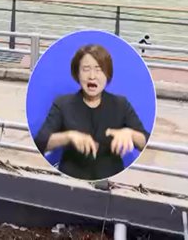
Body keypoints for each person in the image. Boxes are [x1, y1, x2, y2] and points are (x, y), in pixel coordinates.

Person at [33, 44, 149, 181]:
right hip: (71, 181)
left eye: (99, 70)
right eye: (86, 69)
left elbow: (146, 142)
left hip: (111, 181)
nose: (92, 76)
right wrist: (68, 136)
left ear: (107, 74)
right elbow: (40, 143)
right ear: (77, 73)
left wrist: (131, 134)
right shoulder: (63, 104)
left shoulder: (121, 104)